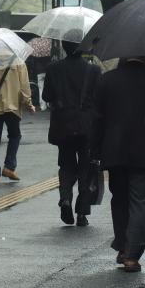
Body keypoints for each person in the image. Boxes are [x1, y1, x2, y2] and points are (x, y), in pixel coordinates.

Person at [93, 58, 145, 272]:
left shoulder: (107, 80)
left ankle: (123, 246)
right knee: (141, 204)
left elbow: (96, 118)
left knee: (120, 200)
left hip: (115, 150)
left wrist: (95, 152)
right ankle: (132, 255)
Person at [42, 38, 101, 227]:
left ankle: (65, 198)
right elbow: (99, 98)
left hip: (63, 125)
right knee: (85, 167)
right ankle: (82, 213)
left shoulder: (53, 69)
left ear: (64, 47)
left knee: (66, 165)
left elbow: (46, 96)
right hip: (86, 125)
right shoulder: (93, 70)